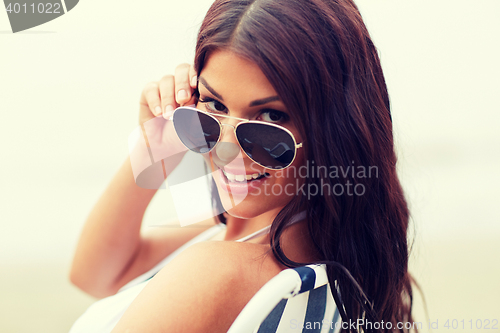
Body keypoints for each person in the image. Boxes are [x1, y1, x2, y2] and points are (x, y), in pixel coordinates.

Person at [69, 0, 417, 332]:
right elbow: (97, 274)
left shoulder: (217, 271)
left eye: (271, 117)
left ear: (335, 128)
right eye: (214, 104)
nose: (225, 150)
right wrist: (154, 146)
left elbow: (97, 278)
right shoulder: (293, 239)